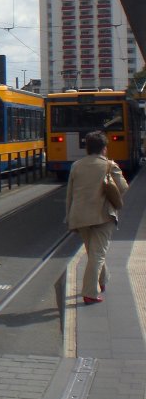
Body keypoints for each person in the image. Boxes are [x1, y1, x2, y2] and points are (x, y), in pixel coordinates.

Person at [65, 130, 128, 304]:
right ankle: (90, 293)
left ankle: (103, 280)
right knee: (98, 254)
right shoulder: (109, 165)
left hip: (80, 216)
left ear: (87, 148)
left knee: (93, 252)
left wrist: (69, 216)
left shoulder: (76, 165)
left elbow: (69, 194)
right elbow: (123, 188)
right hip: (103, 215)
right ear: (104, 148)